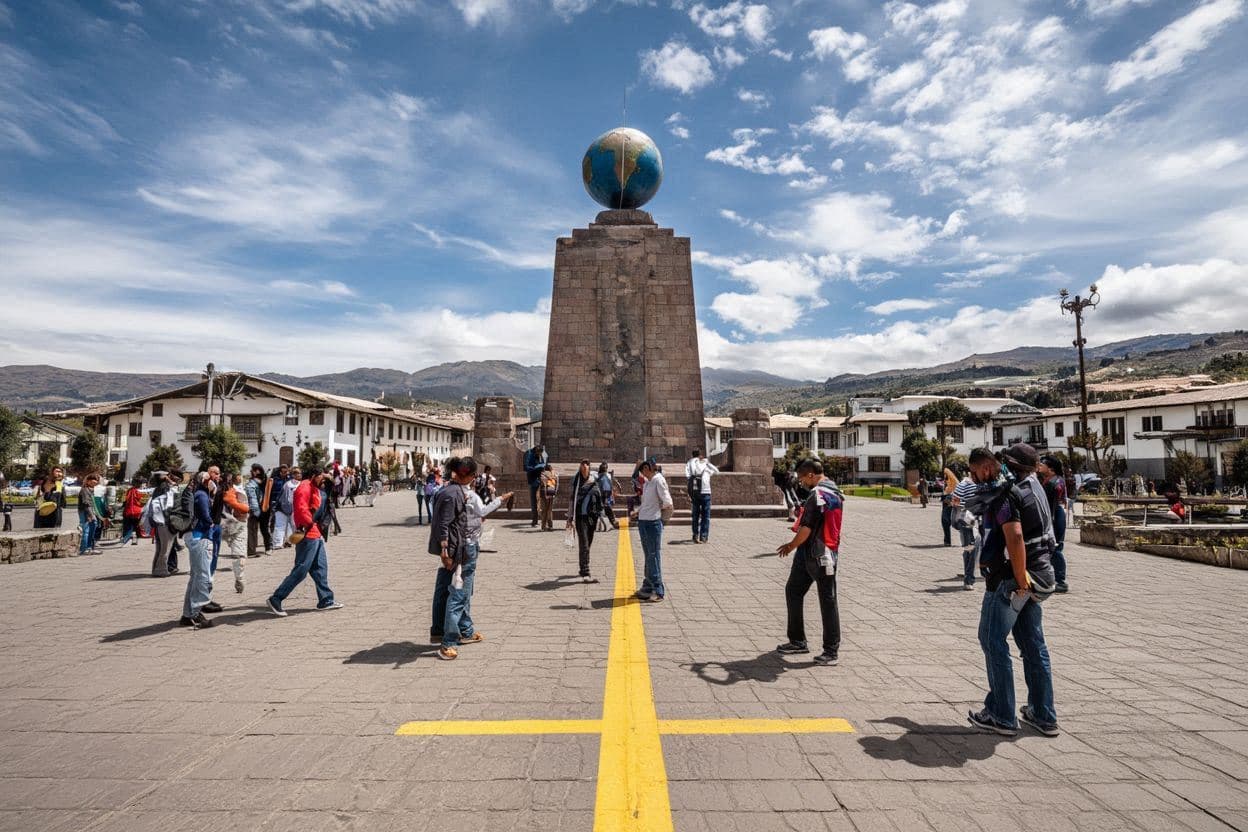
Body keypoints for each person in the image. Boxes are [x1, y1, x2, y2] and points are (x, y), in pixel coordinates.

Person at [964, 444, 1059, 737]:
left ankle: (1001, 714)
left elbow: (1015, 536)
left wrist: (1019, 579)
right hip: (1039, 571)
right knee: (1032, 644)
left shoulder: (1010, 494)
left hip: (1014, 578)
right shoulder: (1036, 487)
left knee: (992, 639)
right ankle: (1043, 714)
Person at [775, 459, 844, 666]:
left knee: (827, 600)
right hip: (815, 552)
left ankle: (831, 650)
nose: (802, 482)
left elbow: (806, 529)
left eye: (803, 478)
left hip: (819, 553)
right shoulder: (834, 490)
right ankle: (797, 641)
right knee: (794, 591)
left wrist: (790, 545)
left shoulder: (818, 495)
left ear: (811, 475)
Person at [266, 467, 343, 616]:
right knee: (301, 569)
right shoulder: (304, 488)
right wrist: (309, 524)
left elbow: (327, 492)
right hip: (307, 534)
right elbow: (301, 510)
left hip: (315, 533)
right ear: (314, 475)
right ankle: (276, 598)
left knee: (320, 567)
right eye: (321, 476)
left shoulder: (313, 486)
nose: (323, 479)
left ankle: (326, 600)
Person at [429, 457, 475, 658]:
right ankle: (447, 641)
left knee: (446, 591)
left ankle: (453, 630)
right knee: (458, 595)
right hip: (454, 551)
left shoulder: (451, 491)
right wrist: (445, 552)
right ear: (469, 476)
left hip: (457, 549)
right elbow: (443, 525)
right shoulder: (452, 494)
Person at [631, 459, 673, 601]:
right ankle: (647, 586)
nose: (641, 473)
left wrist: (657, 513)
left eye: (643, 469)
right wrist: (638, 512)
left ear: (649, 468)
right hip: (644, 522)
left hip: (652, 524)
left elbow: (668, 502)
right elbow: (646, 503)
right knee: (648, 555)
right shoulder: (648, 482)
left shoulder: (658, 481)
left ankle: (658, 589)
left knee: (653, 556)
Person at [179, 472, 217, 628]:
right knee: (202, 576)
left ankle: (187, 615)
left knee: (195, 577)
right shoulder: (201, 495)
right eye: (210, 479)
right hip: (199, 537)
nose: (213, 481)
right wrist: (212, 523)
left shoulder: (197, 493)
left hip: (194, 536)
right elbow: (205, 515)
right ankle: (196, 613)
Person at [567, 459, 603, 583]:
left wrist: (599, 515)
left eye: (586, 465)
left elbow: (599, 499)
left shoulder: (594, 482)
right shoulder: (576, 483)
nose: (584, 467)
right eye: (582, 465)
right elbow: (572, 500)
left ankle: (583, 567)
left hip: (592, 518)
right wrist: (570, 517)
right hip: (580, 518)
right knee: (584, 544)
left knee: (588, 544)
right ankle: (586, 572)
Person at [1037, 455, 1069, 594]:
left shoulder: (1054, 483)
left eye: (1042, 464)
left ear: (1051, 469)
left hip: (1054, 515)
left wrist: (1048, 521)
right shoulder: (1048, 481)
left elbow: (1051, 504)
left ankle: (1060, 581)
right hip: (1053, 514)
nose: (1039, 465)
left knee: (1056, 547)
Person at [221, 473, 249, 593]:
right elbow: (231, 503)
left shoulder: (242, 488)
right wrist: (244, 509)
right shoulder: (228, 491)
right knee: (239, 553)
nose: (239, 478)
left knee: (240, 553)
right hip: (228, 523)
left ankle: (239, 578)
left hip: (241, 524)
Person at [951, 472, 980, 590]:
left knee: (969, 549)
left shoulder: (962, 484)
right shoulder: (972, 485)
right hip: (970, 518)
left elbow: (954, 501)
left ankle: (968, 577)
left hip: (966, 517)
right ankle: (969, 580)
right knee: (972, 549)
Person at [684, 449, 718, 544]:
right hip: (701, 493)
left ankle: (699, 535)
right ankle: (701, 535)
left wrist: (707, 463)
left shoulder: (701, 465)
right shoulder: (695, 463)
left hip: (701, 492)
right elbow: (693, 473)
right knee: (702, 516)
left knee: (699, 515)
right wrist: (706, 463)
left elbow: (716, 471)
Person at [245, 464, 273, 556]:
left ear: (257, 471)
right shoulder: (265, 480)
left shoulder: (253, 483)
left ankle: (254, 550)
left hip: (259, 509)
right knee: (264, 529)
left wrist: (256, 512)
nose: (250, 471)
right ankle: (268, 547)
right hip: (265, 508)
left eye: (252, 470)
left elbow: (253, 498)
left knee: (254, 529)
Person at [273, 467, 300, 548]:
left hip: (291, 508)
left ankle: (289, 541)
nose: (298, 475)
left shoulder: (293, 483)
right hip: (282, 507)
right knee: (281, 526)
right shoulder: (284, 483)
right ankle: (279, 543)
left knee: (292, 525)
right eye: (296, 473)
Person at [76, 472, 102, 555]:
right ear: (88, 481)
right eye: (93, 480)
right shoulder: (84, 490)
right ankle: (84, 549)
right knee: (86, 530)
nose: (95, 481)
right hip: (85, 511)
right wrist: (90, 515)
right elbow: (86, 503)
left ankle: (90, 547)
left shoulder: (93, 490)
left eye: (96, 480)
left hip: (92, 511)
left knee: (92, 529)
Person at [115, 475, 145, 546]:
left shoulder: (128, 491)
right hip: (138, 512)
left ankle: (125, 540)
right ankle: (134, 540)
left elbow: (123, 501)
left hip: (128, 512)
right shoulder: (142, 491)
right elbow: (143, 502)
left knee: (128, 527)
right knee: (137, 527)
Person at [524, 444, 548, 528]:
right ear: (536, 450)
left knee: (544, 500)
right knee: (534, 501)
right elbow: (526, 467)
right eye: (539, 454)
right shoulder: (529, 453)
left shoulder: (543, 453)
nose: (540, 456)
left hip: (541, 478)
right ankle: (535, 520)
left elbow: (546, 462)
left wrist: (544, 466)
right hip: (533, 479)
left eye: (541, 454)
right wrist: (535, 468)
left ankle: (545, 520)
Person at [596, 463, 619, 530]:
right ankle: (612, 522)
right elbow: (606, 489)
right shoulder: (605, 477)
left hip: (600, 496)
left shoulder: (599, 476)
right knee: (607, 509)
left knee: (605, 510)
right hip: (604, 496)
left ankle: (611, 523)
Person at [939, 465, 958, 546]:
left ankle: (947, 541)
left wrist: (948, 499)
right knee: (945, 521)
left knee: (946, 520)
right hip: (947, 500)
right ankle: (947, 540)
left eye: (945, 474)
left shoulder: (953, 481)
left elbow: (953, 492)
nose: (944, 476)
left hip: (949, 501)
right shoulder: (948, 482)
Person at [538, 464, 558, 531]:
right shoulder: (554, 474)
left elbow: (541, 483)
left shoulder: (542, 474)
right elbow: (557, 484)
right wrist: (555, 492)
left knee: (544, 510)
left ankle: (543, 527)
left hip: (544, 493)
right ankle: (550, 526)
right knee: (549, 510)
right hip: (551, 493)